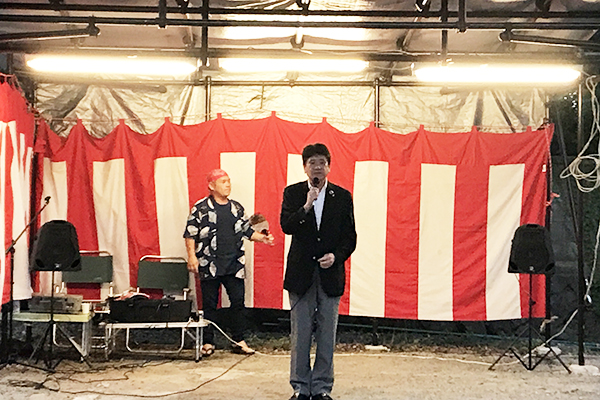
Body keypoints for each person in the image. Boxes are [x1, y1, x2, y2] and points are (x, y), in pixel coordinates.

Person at [280, 143, 357, 400]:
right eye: (312, 162)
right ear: (304, 167)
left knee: (327, 332)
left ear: (329, 167)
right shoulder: (293, 194)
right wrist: (306, 206)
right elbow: (286, 226)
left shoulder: (343, 197)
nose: (317, 167)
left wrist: (336, 256)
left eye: (322, 162)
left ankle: (322, 387)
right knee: (300, 332)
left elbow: (350, 238)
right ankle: (301, 386)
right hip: (301, 275)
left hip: (330, 274)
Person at [184, 168, 274, 356]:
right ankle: (208, 342)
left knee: (238, 303)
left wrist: (262, 238)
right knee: (209, 305)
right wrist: (191, 256)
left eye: (229, 181)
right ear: (211, 186)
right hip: (209, 263)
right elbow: (190, 233)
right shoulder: (200, 208)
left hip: (234, 264)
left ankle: (238, 340)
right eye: (223, 181)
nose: (228, 185)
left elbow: (247, 231)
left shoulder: (237, 208)